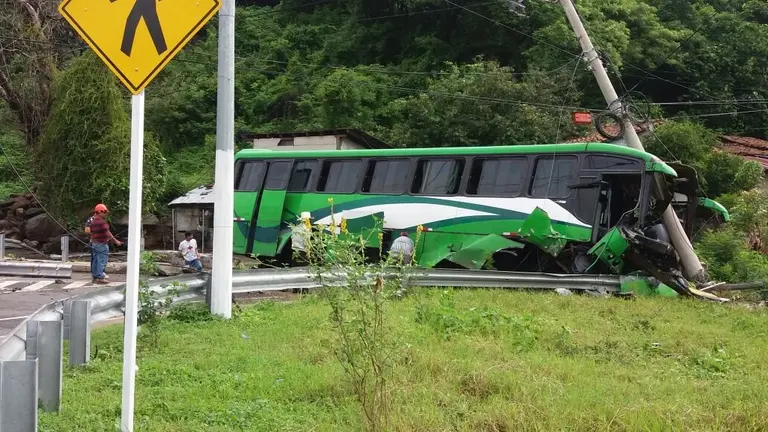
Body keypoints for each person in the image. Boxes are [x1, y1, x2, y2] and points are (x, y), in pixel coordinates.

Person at [89, 203, 122, 284]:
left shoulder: (93, 222)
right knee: (102, 261)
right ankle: (100, 277)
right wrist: (116, 241)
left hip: (95, 243)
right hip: (102, 244)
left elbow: (91, 233)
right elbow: (108, 233)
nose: (106, 214)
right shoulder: (102, 222)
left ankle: (95, 276)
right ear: (100, 212)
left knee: (96, 261)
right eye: (104, 212)